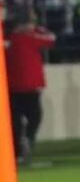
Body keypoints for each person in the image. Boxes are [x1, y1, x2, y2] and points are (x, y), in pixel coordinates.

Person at [5, 10, 55, 165]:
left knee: (16, 122)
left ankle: (19, 152)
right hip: (28, 87)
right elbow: (51, 38)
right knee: (34, 117)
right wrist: (37, 28)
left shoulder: (8, 40)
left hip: (13, 88)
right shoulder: (31, 38)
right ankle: (27, 141)